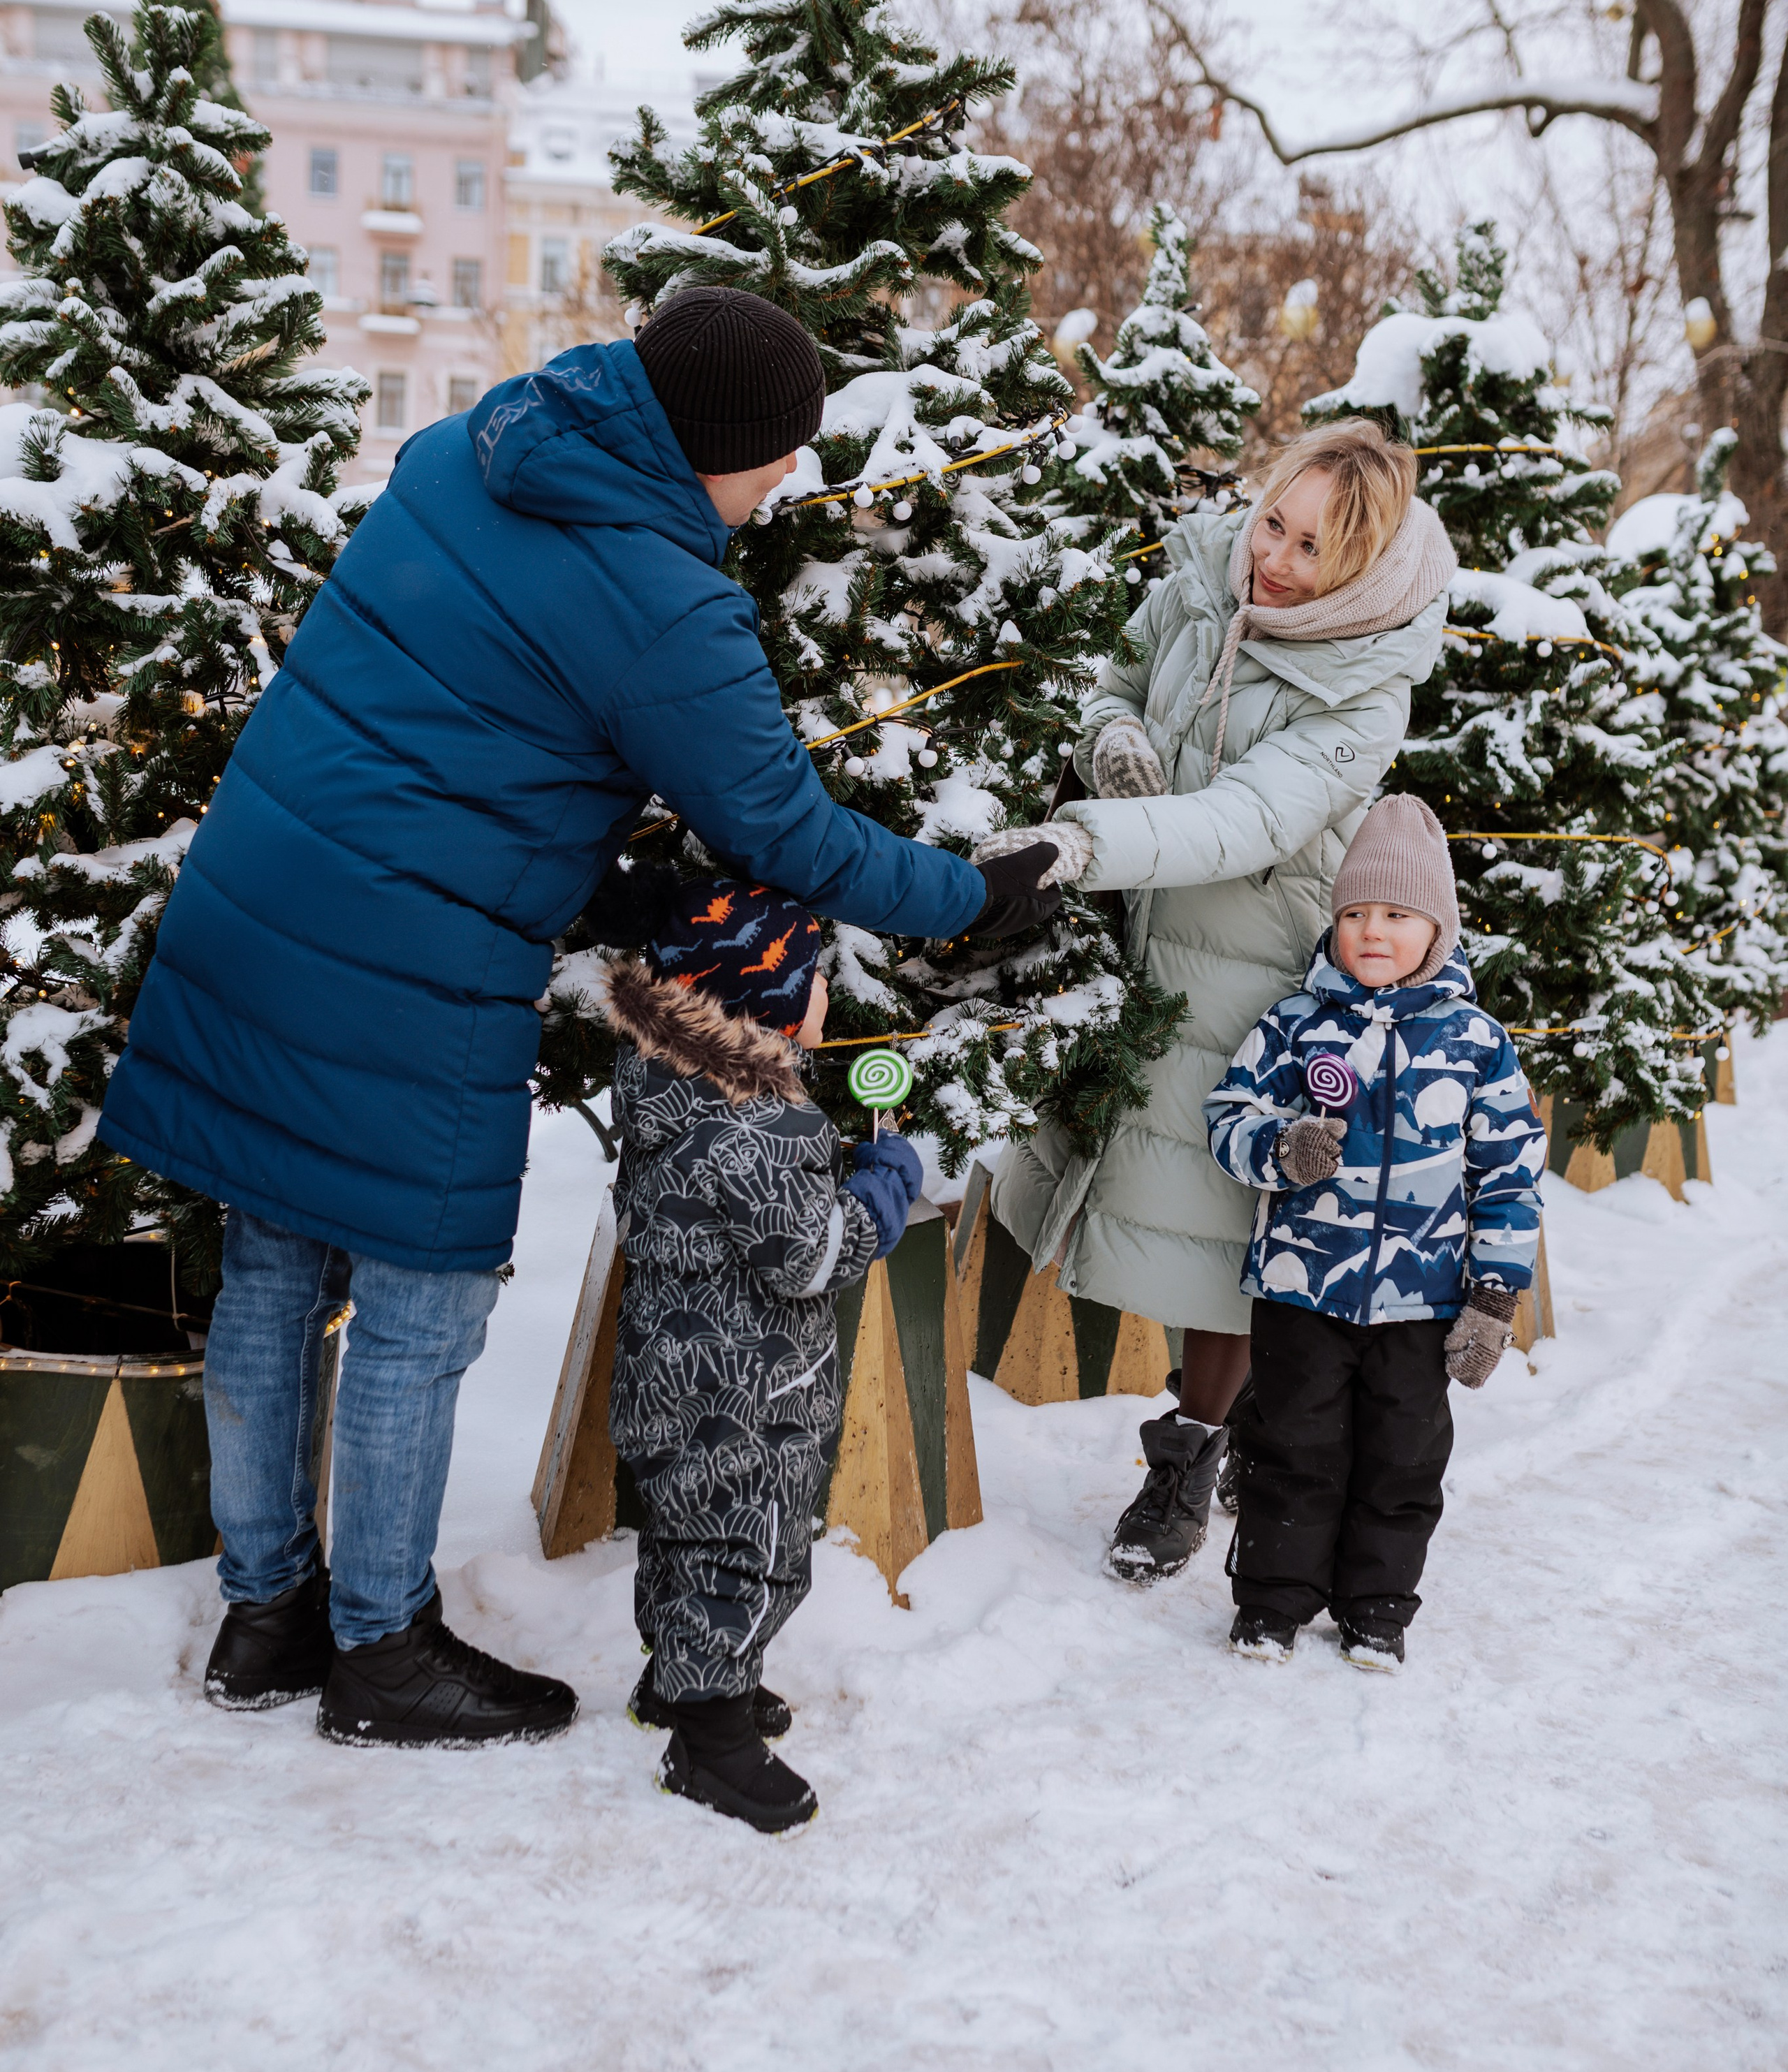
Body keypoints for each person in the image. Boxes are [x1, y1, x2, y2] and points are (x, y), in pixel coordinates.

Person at [98, 289, 1057, 1747]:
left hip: (260, 888)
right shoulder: (663, 603)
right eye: (779, 452)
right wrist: (967, 895)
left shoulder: (464, 450)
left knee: (277, 1263)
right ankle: (379, 1651)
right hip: (409, 957)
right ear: (712, 446)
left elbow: (434, 709)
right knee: (421, 1303)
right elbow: (787, 833)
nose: (791, 478)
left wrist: (597, 865)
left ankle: (264, 1613)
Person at [979, 418, 1458, 1582]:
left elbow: (1249, 821)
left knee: (1216, 1225)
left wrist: (1082, 842)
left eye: (1313, 554)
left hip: (1250, 961)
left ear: (1361, 575)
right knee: (1104, 1176)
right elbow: (1111, 672)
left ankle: (1190, 1455)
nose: (1277, 563)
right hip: (1139, 931)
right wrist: (1113, 738)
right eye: (1275, 526)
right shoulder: (1204, 573)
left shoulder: (1360, 695)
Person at [596, 873, 921, 1833]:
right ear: (766, 996)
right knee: (751, 1550)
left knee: (681, 1532)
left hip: (666, 1372)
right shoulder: (763, 1123)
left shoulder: (668, 1089)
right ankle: (712, 1742)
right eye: (815, 978)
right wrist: (883, 1191)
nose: (828, 995)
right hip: (751, 1390)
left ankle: (682, 1680)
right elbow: (809, 1258)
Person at [1202, 795, 1545, 1667]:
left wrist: (1494, 1297)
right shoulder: (1294, 1024)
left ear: (1437, 928)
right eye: (1355, 913)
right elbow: (1226, 1114)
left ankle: (1378, 1608)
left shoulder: (1477, 1044)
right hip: (1301, 1287)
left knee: (1403, 1459)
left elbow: (1509, 1175)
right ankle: (1272, 1603)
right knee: (1292, 1446)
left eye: (1396, 914)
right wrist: (1280, 1148)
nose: (1372, 931)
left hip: (1422, 1302)